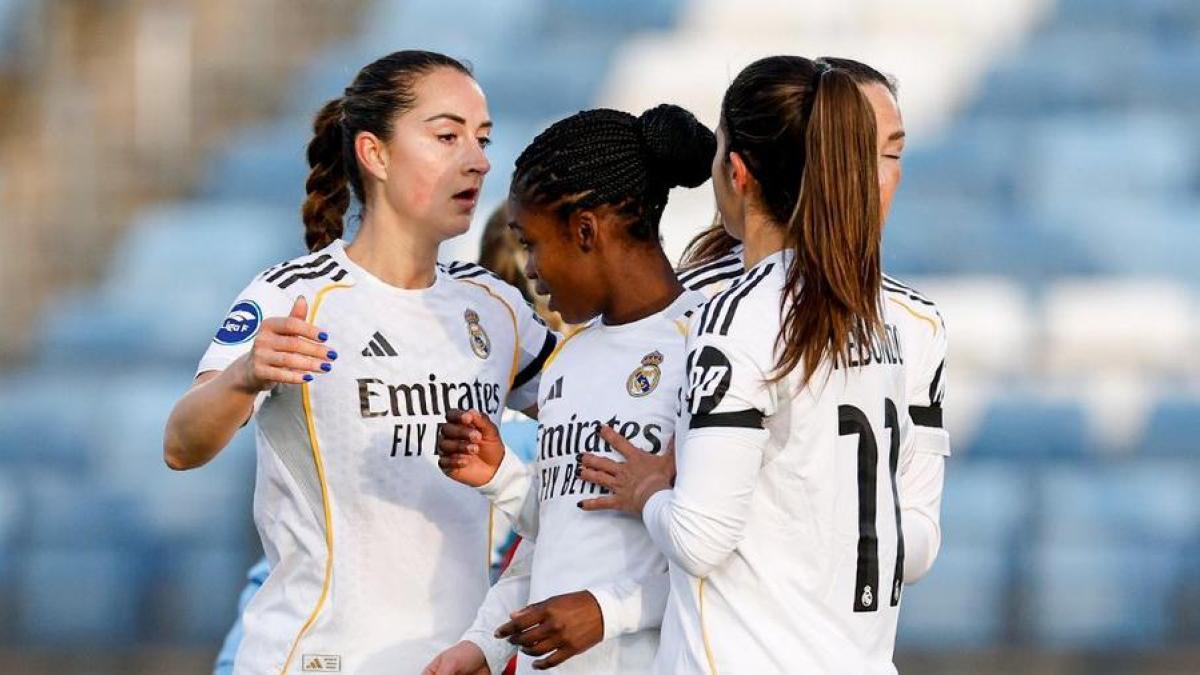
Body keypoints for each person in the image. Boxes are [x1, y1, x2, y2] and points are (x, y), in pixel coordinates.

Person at [164, 50, 556, 674]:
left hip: (448, 662)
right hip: (316, 659)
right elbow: (181, 446)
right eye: (447, 136)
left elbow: (586, 408)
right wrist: (245, 376)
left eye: (482, 140)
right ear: (374, 154)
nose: (477, 160)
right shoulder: (295, 295)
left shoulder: (497, 309)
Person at [578, 55, 918, 673]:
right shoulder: (877, 314)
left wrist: (650, 490)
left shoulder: (739, 314)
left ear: (736, 172)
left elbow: (700, 539)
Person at [428, 104, 716, 674]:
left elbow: (728, 550)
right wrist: (486, 642)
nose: (529, 269)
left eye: (531, 243)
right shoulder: (567, 362)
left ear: (585, 230)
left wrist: (608, 613)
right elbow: (560, 536)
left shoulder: (707, 343)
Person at [675, 58, 949, 586]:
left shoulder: (916, 325)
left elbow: (919, 536)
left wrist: (821, 531)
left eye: (890, 153)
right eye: (846, 150)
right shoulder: (692, 307)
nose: (864, 176)